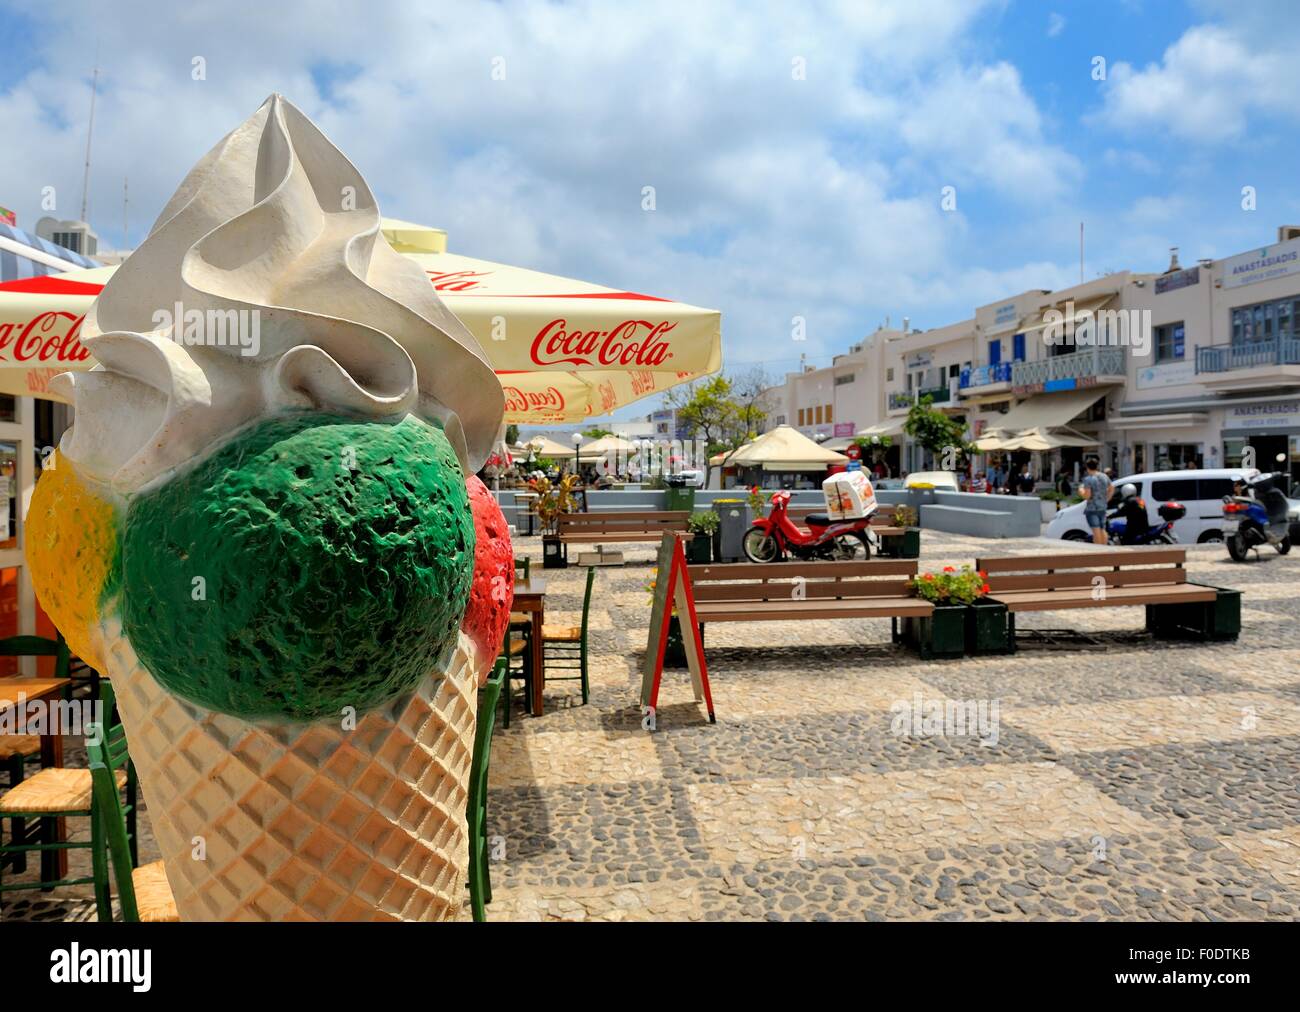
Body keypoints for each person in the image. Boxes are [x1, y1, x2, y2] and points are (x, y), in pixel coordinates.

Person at [1078, 457, 1112, 545]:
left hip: (1092, 508)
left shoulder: (1088, 479)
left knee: (1096, 530)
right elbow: (1112, 488)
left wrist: (1081, 490)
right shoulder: (1104, 476)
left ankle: (1098, 550)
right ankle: (1104, 549)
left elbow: (1087, 496)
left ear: (1087, 467)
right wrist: (1107, 498)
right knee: (1102, 529)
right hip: (1102, 507)